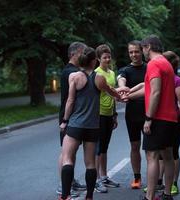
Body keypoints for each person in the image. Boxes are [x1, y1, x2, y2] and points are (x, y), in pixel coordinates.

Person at [59, 47, 121, 200]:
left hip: (75, 125)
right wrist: (122, 95)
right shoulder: (99, 78)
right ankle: (89, 196)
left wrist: (65, 121)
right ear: (94, 61)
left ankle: (65, 196)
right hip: (93, 126)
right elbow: (112, 92)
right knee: (90, 163)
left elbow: (70, 101)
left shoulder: (74, 77)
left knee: (67, 158)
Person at [125, 35, 177, 200]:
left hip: (158, 118)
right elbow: (148, 89)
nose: (142, 53)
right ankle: (167, 194)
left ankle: (149, 197)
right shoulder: (166, 63)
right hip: (171, 117)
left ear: (148, 47)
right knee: (167, 156)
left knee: (152, 156)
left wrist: (148, 118)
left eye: (142, 49)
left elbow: (155, 92)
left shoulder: (154, 64)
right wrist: (128, 96)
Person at [57, 42, 87, 197]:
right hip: (68, 117)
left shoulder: (72, 70)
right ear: (75, 53)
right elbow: (70, 99)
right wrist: (65, 119)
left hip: (74, 117)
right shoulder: (71, 72)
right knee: (66, 152)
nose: (85, 55)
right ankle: (63, 186)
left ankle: (70, 181)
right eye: (83, 52)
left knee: (71, 152)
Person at [117, 40, 146, 189]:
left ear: (142, 51)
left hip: (150, 114)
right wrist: (122, 88)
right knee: (135, 146)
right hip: (133, 115)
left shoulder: (149, 68)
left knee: (151, 149)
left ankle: (156, 179)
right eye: (131, 52)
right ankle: (137, 178)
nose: (134, 54)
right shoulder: (125, 70)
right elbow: (121, 79)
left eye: (136, 51)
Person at [158, 51, 180, 196]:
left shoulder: (177, 81)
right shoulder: (160, 79)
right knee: (160, 154)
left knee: (173, 153)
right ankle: (159, 183)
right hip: (161, 119)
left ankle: (174, 183)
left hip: (174, 121)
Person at [94, 44, 120, 193]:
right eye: (104, 57)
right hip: (99, 114)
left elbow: (113, 94)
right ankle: (97, 179)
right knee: (98, 148)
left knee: (104, 147)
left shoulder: (111, 73)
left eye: (109, 56)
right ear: (98, 58)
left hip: (109, 113)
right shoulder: (97, 73)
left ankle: (104, 176)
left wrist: (115, 115)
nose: (107, 59)